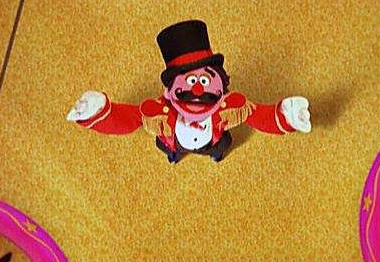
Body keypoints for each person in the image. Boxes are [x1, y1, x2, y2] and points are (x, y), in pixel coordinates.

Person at [66, 20, 311, 163]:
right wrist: (98, 112)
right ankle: (174, 156)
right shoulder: (157, 112)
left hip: (212, 142)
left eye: (204, 80)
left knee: (219, 149)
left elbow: (261, 116)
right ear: (171, 88)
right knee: (170, 151)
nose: (197, 90)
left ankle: (215, 156)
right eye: (191, 81)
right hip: (175, 143)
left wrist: (287, 116)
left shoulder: (231, 107)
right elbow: (126, 119)